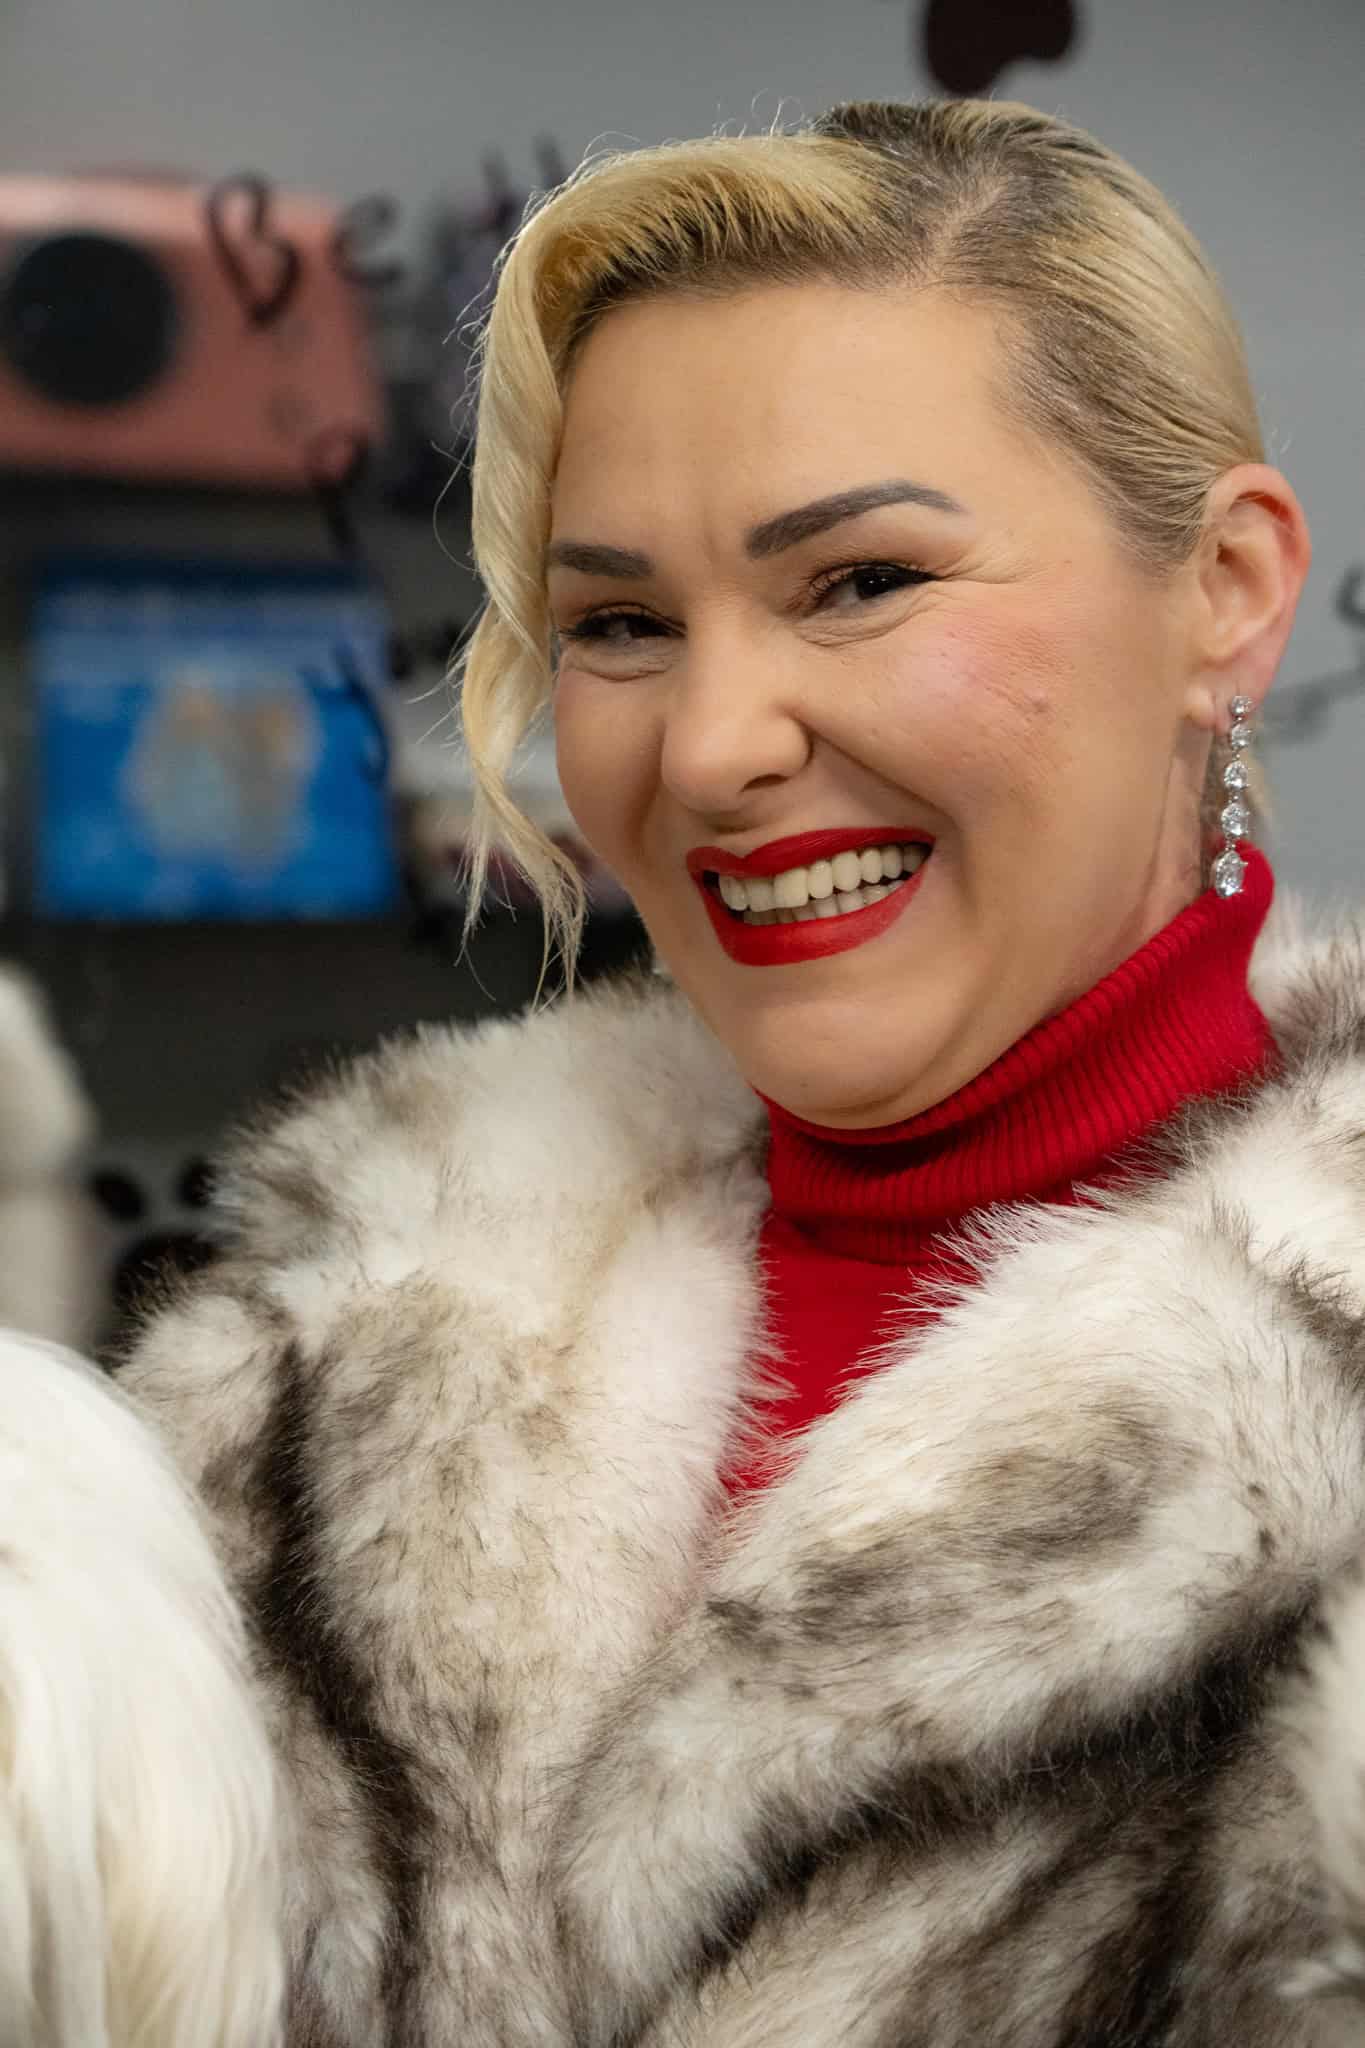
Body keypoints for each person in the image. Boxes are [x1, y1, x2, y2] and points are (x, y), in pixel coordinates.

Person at [113, 97, 1365, 2045]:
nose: (706, 748)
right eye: (618, 623)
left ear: (1223, 590)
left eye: (858, 581)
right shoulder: (302, 1373)